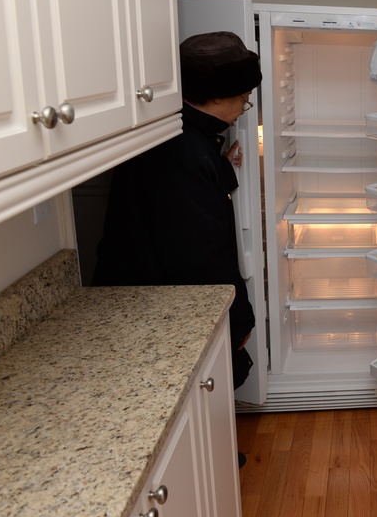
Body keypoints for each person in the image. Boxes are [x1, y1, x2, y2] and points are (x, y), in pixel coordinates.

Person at [93, 31, 262, 396]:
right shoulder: (183, 152)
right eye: (244, 99)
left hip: (150, 296)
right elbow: (201, 256)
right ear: (217, 95)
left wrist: (221, 163)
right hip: (154, 307)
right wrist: (239, 317)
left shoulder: (178, 130)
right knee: (188, 396)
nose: (244, 107)